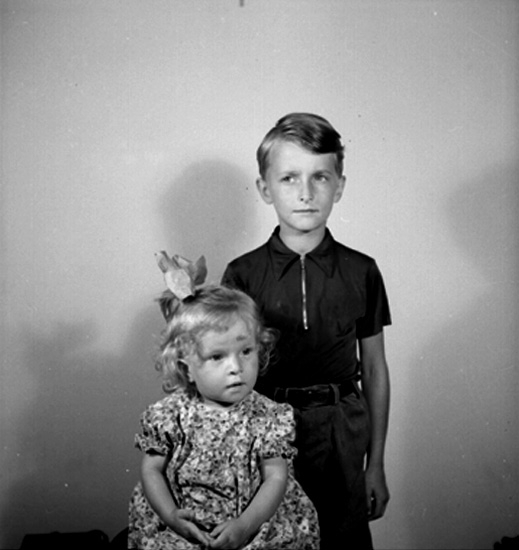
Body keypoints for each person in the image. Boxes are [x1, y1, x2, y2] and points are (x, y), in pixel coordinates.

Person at [221, 113, 392, 550]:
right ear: (265, 189)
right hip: (266, 430)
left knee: (343, 540)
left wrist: (375, 464)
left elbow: (374, 369)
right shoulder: (242, 274)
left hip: (341, 428)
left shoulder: (362, 270)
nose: (305, 193)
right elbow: (224, 370)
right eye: (289, 178)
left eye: (320, 177)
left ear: (339, 186)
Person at [128, 252, 320, 550]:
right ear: (185, 366)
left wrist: (245, 527)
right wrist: (170, 516)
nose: (236, 367)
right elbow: (152, 470)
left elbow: (275, 477)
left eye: (246, 351)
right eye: (217, 356)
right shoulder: (169, 415)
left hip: (253, 526)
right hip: (184, 528)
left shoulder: (268, 416)